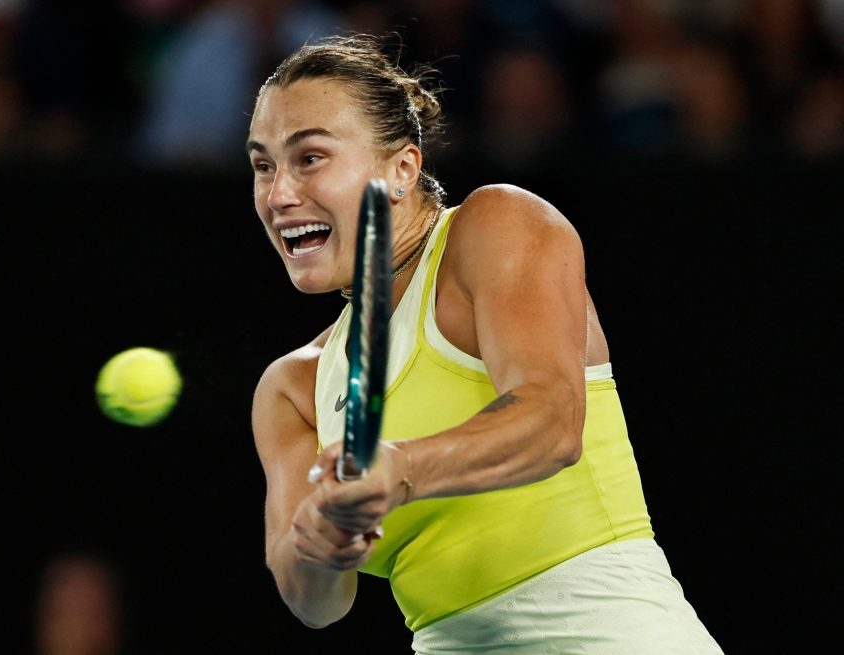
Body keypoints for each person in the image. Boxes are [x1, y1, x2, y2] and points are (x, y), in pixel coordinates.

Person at [248, 36, 724, 654]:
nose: (279, 193)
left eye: (310, 157)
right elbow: (314, 603)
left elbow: (552, 422)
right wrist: (321, 545)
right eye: (263, 165)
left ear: (402, 170)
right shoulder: (292, 387)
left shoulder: (497, 226)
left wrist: (401, 469)